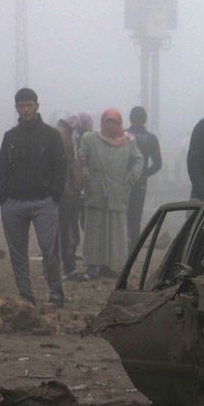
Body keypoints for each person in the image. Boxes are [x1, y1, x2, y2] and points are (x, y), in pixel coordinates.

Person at [0, 88, 67, 307]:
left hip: (44, 202)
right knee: (18, 252)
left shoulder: (51, 135)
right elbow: (3, 168)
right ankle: (25, 294)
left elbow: (60, 165)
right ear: (16, 108)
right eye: (21, 106)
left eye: (29, 105)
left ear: (37, 106)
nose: (26, 109)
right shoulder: (10, 136)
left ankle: (56, 294)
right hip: (14, 202)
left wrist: (55, 194)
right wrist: (4, 196)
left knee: (49, 250)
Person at [79, 109, 144, 279]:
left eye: (114, 122)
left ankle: (109, 266)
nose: (110, 125)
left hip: (118, 191)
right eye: (107, 121)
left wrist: (131, 177)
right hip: (96, 190)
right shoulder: (90, 139)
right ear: (102, 122)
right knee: (94, 230)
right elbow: (81, 157)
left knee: (115, 232)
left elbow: (139, 160)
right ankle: (92, 266)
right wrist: (87, 176)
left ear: (120, 123)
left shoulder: (128, 141)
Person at [125, 106, 162, 251]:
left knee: (121, 214)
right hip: (141, 183)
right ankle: (133, 248)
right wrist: (144, 174)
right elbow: (157, 164)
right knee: (135, 215)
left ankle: (121, 244)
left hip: (122, 181)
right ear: (145, 120)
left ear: (130, 118)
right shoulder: (151, 139)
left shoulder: (123, 135)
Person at [56, 115, 83, 280]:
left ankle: (65, 266)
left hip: (68, 191)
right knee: (65, 232)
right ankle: (67, 267)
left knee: (65, 231)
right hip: (64, 191)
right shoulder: (61, 136)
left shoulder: (68, 136)